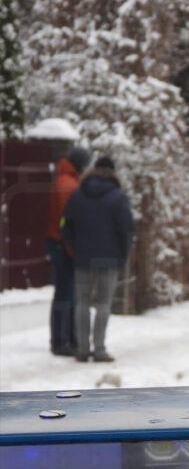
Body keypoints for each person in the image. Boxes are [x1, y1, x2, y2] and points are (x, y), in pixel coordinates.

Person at [61, 156, 135, 363]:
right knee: (103, 304)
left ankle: (82, 349)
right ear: (113, 173)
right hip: (109, 260)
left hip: (82, 258)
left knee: (82, 304)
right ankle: (99, 349)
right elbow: (127, 230)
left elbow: (66, 225)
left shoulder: (77, 194)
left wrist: (74, 249)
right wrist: (122, 255)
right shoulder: (118, 197)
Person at [46, 146, 90, 356]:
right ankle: (60, 341)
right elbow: (67, 220)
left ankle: (68, 338)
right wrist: (72, 248)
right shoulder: (67, 184)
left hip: (61, 243)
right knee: (65, 293)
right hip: (62, 245)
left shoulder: (67, 179)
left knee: (67, 292)